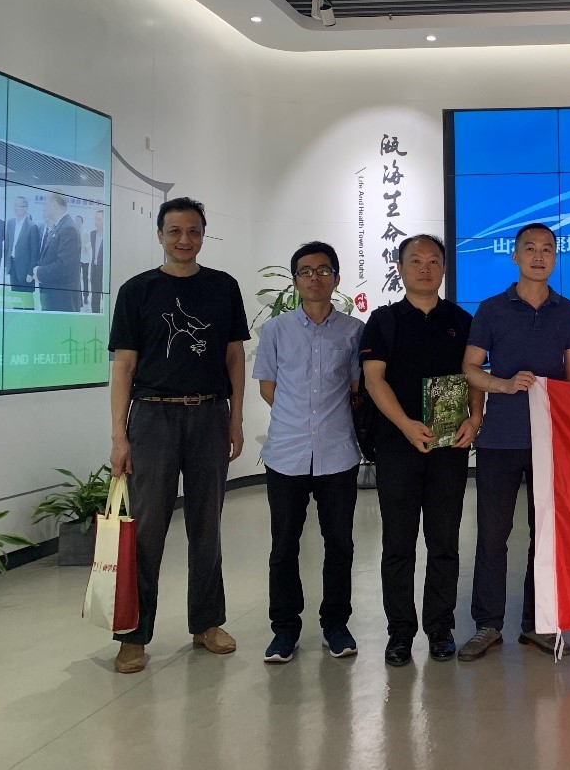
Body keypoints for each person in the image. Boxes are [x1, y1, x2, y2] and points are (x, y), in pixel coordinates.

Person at [107, 197, 249, 675]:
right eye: (174, 231)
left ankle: (207, 624)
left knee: (207, 526)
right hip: (152, 418)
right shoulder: (137, 290)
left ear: (203, 235)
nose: (184, 239)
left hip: (209, 415)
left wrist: (235, 419)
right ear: (160, 235)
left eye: (193, 231)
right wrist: (119, 436)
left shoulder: (223, 287)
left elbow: (233, 357)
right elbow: (124, 366)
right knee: (147, 530)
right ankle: (133, 636)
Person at [460, 222, 570, 661]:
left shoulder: (567, 311)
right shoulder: (492, 309)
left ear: (555, 257)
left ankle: (538, 623)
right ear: (514, 255)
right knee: (492, 534)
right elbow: (470, 369)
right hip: (499, 439)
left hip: (549, 442)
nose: (538, 256)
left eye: (547, 249)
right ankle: (487, 624)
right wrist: (504, 384)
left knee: (545, 534)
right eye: (529, 248)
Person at [360, 234, 482, 667]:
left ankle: (440, 628)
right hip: (398, 446)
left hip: (449, 449)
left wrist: (475, 418)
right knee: (398, 543)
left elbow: (473, 375)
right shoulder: (384, 321)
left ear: (444, 269)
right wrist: (406, 425)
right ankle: (399, 632)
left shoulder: (462, 321)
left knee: (444, 541)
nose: (425, 268)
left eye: (433, 261)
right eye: (415, 260)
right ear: (400, 268)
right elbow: (374, 379)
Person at [253, 241, 365, 664]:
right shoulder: (276, 331)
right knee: (284, 546)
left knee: (339, 544)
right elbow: (268, 387)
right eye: (305, 271)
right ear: (295, 280)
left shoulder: (353, 331)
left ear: (336, 278)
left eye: (323, 270)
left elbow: (356, 386)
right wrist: (299, 418)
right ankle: (285, 629)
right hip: (287, 454)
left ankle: (336, 624)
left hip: (338, 453)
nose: (314, 278)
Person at [34, 193, 82, 311]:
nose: (44, 208)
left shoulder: (68, 228)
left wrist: (39, 272)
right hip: (55, 297)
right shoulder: (60, 226)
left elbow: (64, 266)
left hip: (62, 300)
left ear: (55, 205)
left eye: (46, 205)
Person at [6, 195, 40, 304]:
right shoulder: (10, 223)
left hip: (26, 271)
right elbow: (8, 245)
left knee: (27, 302)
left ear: (25, 208)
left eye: (18, 205)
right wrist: (7, 264)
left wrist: (30, 273)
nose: (15, 208)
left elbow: (34, 253)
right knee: (16, 300)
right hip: (12, 267)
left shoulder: (32, 226)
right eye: (14, 205)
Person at [91, 208, 106, 312]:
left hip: (104, 271)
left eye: (99, 219)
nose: (96, 221)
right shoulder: (92, 234)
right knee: (95, 297)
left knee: (105, 297)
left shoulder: (108, 235)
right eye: (95, 219)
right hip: (94, 270)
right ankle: (95, 315)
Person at [76, 214, 91, 306]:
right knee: (77, 278)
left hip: (85, 259)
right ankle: (79, 297)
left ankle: (85, 297)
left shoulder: (85, 232)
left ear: (82, 222)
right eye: (76, 220)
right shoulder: (73, 232)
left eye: (78, 220)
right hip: (76, 259)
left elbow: (90, 243)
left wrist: (85, 248)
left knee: (85, 278)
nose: (76, 222)